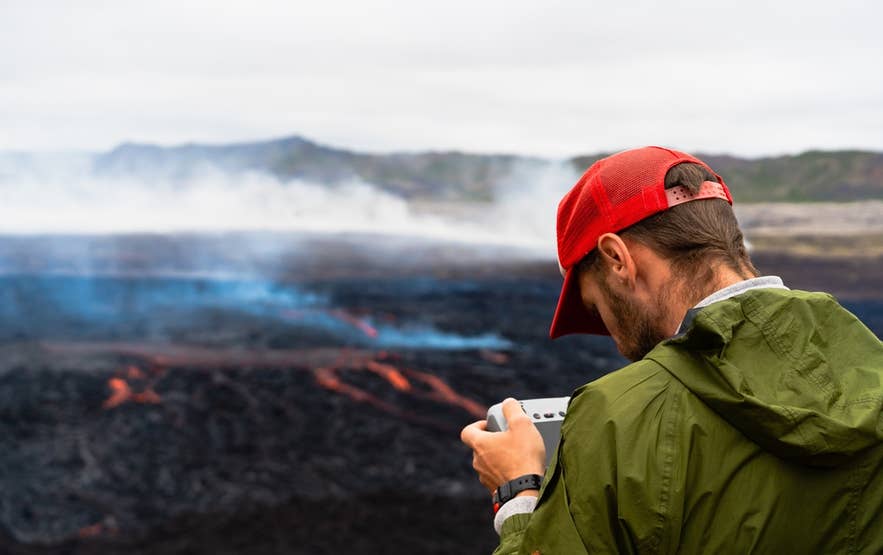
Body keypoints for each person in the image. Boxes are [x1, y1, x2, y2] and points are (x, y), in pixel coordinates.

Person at [460, 146, 883, 553]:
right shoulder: (869, 361)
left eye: (594, 305)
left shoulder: (613, 416)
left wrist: (518, 492)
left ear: (617, 258)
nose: (608, 331)